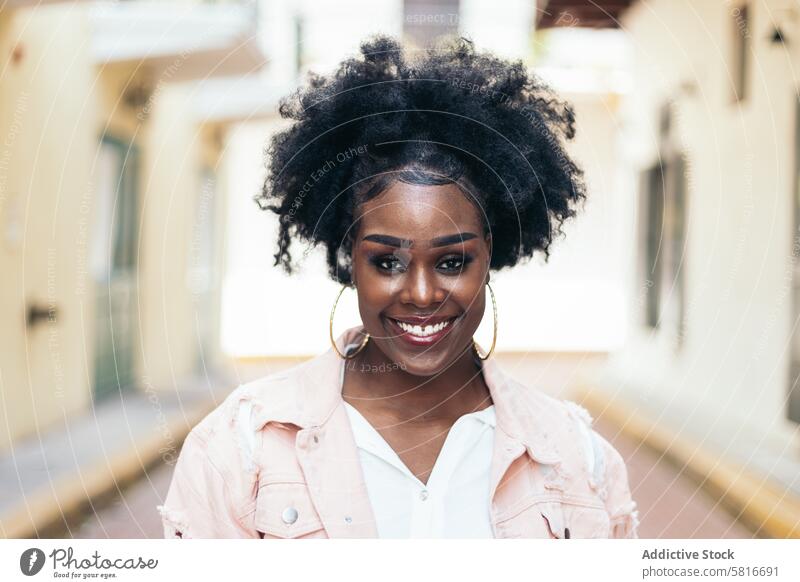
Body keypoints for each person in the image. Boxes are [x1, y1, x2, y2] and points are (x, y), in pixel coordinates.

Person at [158, 35, 640, 539]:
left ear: (489, 254)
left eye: (452, 260)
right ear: (350, 257)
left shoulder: (575, 460)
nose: (423, 293)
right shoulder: (240, 452)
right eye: (387, 261)